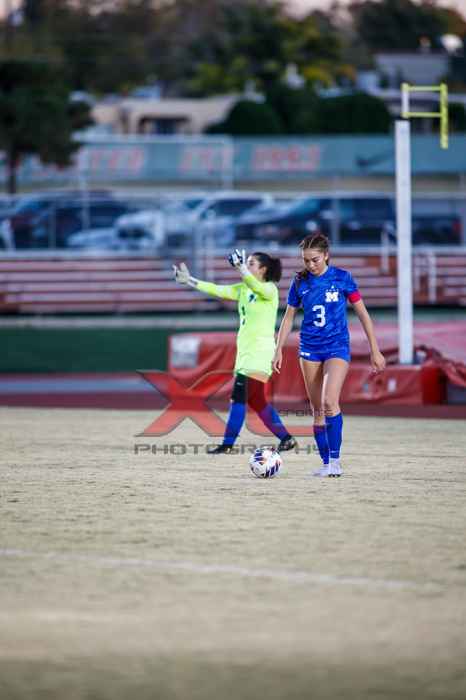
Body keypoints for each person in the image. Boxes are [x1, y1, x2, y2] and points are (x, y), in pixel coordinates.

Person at [273, 234, 386, 477]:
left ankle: (335, 462)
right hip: (309, 348)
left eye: (314, 259)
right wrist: (278, 349)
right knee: (317, 411)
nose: (310, 265)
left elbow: (363, 314)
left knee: (329, 402)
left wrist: (375, 349)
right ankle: (326, 463)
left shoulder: (342, 278)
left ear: (326, 255)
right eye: (306, 260)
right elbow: (289, 318)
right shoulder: (299, 282)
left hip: (337, 346)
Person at [173, 249, 297, 454]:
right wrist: (190, 281)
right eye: (246, 263)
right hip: (247, 354)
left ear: (263, 269)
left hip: (259, 354)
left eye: (251, 263)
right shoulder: (243, 289)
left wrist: (240, 268)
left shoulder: (270, 290)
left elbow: (256, 286)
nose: (247, 266)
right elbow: (217, 289)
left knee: (238, 397)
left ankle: (227, 444)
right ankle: (286, 439)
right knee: (257, 401)